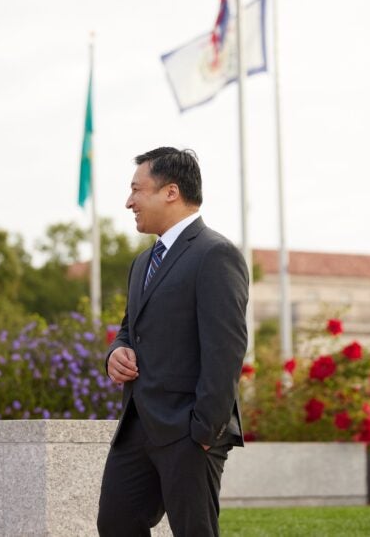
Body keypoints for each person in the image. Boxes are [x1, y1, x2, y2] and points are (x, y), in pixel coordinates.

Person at [97, 147, 249, 537]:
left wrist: (203, 431)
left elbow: (226, 350)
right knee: (115, 523)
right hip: (137, 427)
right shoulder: (143, 263)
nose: (129, 202)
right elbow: (130, 329)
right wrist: (117, 351)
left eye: (137, 190)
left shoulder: (216, 254)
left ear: (171, 192)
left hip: (190, 431)